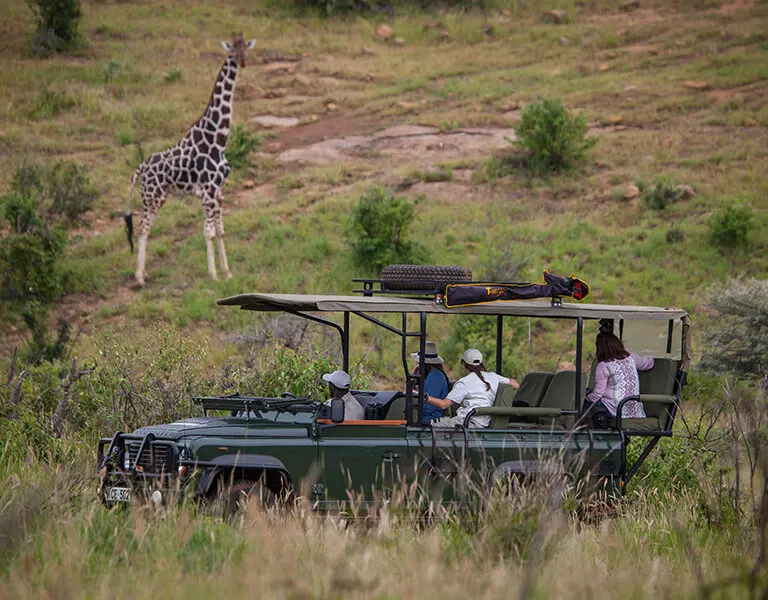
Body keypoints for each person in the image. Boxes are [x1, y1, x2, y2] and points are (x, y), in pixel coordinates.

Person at [426, 349, 519, 428]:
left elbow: (444, 404)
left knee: (431, 423)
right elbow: (515, 385)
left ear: (464, 365)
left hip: (468, 422)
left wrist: (426, 398)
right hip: (484, 422)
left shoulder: (464, 382)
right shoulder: (493, 377)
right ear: (481, 363)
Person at [584, 331, 654, 428]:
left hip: (615, 409)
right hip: (635, 410)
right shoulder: (631, 358)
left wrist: (586, 397)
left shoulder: (603, 365)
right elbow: (650, 363)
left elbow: (597, 395)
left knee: (585, 405)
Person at [410, 341, 450, 425]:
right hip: (426, 417)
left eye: (418, 362)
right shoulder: (431, 375)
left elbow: (428, 408)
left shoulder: (435, 377)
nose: (417, 365)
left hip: (430, 419)